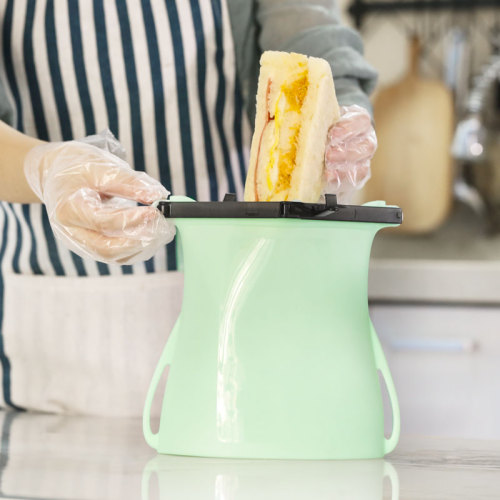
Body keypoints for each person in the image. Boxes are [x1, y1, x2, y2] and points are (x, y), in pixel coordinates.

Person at [0, 0, 377, 416]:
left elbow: (312, 44)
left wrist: (342, 118)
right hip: (62, 334)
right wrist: (43, 167)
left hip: (246, 301)